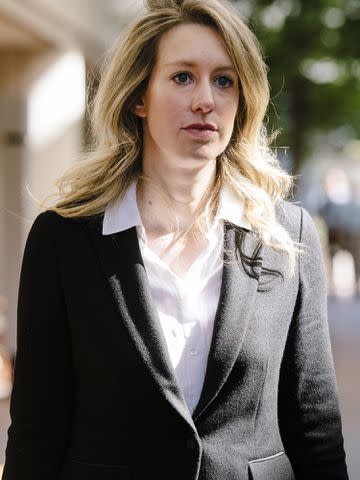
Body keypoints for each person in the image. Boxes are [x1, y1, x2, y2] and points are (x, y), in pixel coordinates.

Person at [3, 0, 348, 479]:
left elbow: (316, 430)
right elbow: (37, 431)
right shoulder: (64, 239)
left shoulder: (286, 237)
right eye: (183, 76)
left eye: (224, 80)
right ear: (138, 96)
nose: (205, 99)